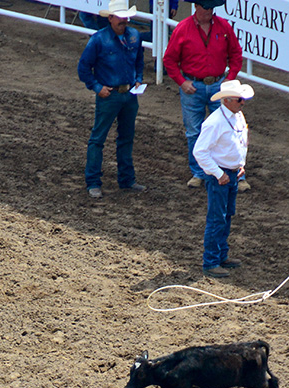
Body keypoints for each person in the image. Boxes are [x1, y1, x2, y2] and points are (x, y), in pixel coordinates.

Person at [162, 0, 244, 191]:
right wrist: (182, 82)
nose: (209, 11)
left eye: (211, 9)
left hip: (213, 83)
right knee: (195, 131)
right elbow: (169, 60)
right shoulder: (184, 29)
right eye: (206, 8)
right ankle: (201, 172)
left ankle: (232, 172)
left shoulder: (222, 27)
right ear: (196, 7)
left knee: (225, 128)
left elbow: (236, 54)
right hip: (197, 85)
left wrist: (229, 78)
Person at [77, 0, 147, 199]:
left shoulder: (133, 36)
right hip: (110, 95)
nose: (124, 22)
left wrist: (138, 79)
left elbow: (139, 61)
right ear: (110, 18)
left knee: (124, 137)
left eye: (125, 18)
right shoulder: (99, 40)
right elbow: (83, 68)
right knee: (99, 138)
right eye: (121, 18)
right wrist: (98, 87)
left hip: (127, 94)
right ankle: (94, 181)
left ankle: (125, 179)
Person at [192, 79, 253, 277]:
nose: (242, 102)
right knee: (217, 218)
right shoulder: (214, 122)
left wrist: (240, 164)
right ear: (227, 101)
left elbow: (241, 141)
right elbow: (199, 152)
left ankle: (220, 256)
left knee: (226, 216)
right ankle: (210, 262)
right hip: (221, 175)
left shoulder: (236, 115)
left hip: (231, 173)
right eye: (239, 99)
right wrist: (219, 174)